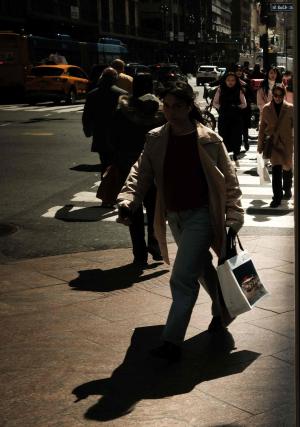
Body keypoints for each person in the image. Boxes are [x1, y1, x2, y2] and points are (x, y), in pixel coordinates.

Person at [117, 81, 244, 362]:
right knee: (199, 268)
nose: (171, 112)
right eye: (167, 106)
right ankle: (223, 308)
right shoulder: (156, 138)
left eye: (177, 106)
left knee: (182, 278)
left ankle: (172, 341)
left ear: (189, 107)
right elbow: (140, 173)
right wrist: (128, 199)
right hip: (173, 215)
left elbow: (230, 181)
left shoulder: (209, 140)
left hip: (202, 215)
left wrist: (234, 215)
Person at [111, 73, 166, 266]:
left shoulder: (123, 110)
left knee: (132, 208)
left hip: (128, 164)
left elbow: (114, 138)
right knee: (154, 207)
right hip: (153, 166)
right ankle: (154, 243)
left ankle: (139, 254)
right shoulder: (159, 112)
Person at [82, 67, 129, 202]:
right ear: (114, 79)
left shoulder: (92, 94)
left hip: (100, 136)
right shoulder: (122, 94)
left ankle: (107, 194)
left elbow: (87, 116)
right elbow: (127, 117)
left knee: (105, 165)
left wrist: (87, 130)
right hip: (119, 137)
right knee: (120, 166)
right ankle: (116, 194)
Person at [257, 85, 294, 208]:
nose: (277, 98)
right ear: (272, 95)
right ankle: (276, 197)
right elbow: (262, 128)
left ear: (284, 95)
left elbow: (295, 127)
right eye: (275, 95)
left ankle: (287, 188)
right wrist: (260, 146)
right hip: (274, 143)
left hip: (287, 143)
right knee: (276, 170)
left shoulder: (290, 108)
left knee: (287, 167)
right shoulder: (266, 108)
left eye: (280, 95)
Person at [212, 72, 248, 166]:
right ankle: (225, 160)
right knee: (224, 137)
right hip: (224, 118)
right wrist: (222, 108)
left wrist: (236, 107)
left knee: (236, 138)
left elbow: (244, 104)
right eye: (228, 80)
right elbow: (215, 103)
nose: (230, 82)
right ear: (225, 81)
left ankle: (236, 156)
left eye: (233, 80)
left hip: (236, 118)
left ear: (236, 81)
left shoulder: (239, 90)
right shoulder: (220, 89)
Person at [233, 64, 252, 152]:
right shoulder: (231, 81)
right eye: (237, 70)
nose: (239, 72)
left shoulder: (246, 81)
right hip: (236, 108)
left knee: (245, 126)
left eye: (240, 70)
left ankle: (246, 141)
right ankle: (238, 144)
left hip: (245, 107)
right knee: (237, 127)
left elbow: (250, 92)